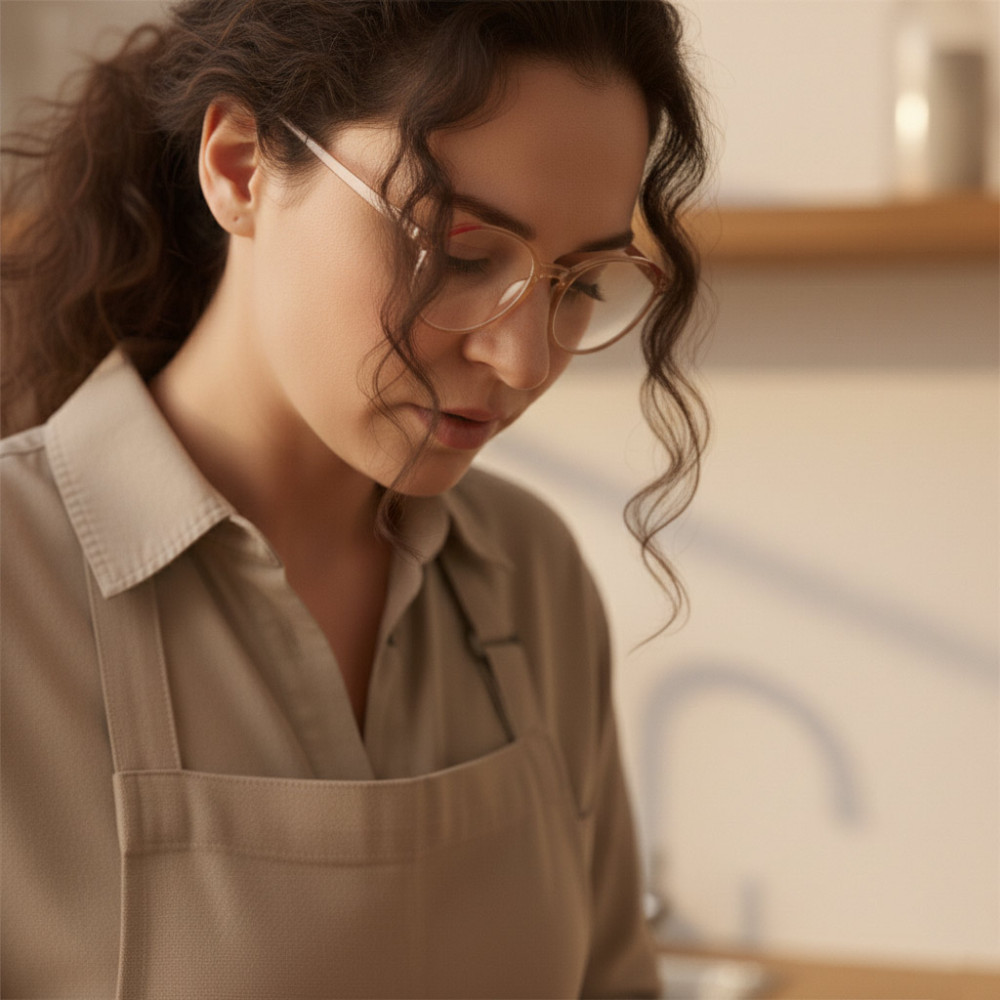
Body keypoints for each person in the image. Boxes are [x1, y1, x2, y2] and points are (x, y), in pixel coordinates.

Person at [0, 1, 708, 996]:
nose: (523, 358)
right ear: (238, 167)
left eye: (580, 281)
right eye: (459, 252)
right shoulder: (18, 583)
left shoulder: (528, 570)